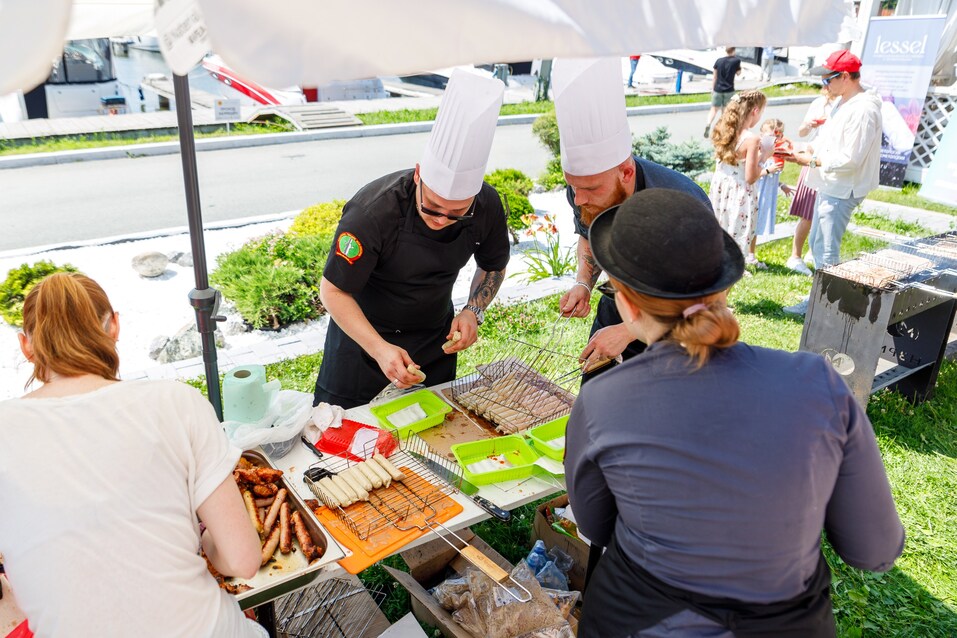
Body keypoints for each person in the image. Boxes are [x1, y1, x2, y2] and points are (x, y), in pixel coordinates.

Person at [565, 188, 905, 637]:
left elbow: (596, 526)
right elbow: (874, 549)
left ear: (625, 304)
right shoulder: (818, 384)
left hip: (638, 621)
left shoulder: (602, 399)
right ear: (724, 289)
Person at [0, 273, 266, 638]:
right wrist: (205, 545)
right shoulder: (176, 401)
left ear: (26, 346)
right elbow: (243, 560)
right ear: (114, 326)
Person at [313, 69, 509, 409]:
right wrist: (379, 349)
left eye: (456, 214)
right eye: (431, 207)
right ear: (418, 175)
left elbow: (493, 266)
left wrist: (473, 311)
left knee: (432, 437)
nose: (440, 220)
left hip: (435, 341)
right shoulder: (372, 213)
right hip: (362, 346)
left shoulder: (487, 205)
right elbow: (332, 291)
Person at [551, 57, 712, 383]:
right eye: (573, 186)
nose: (578, 198)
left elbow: (702, 301)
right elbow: (588, 232)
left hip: (673, 333)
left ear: (626, 172)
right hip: (615, 312)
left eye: (591, 188)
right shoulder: (583, 190)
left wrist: (629, 331)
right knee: (594, 410)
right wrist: (584, 282)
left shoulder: (683, 207)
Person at [785, 50, 882, 315]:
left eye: (829, 79)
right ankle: (820, 301)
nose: (824, 85)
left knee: (826, 248)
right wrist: (801, 147)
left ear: (847, 77)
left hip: (842, 186)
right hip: (830, 183)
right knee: (817, 241)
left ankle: (827, 308)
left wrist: (811, 161)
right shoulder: (844, 101)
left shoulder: (863, 109)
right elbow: (828, 141)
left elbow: (851, 158)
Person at [709, 89, 769, 269]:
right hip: (738, 191)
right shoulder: (751, 139)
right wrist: (765, 156)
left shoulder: (724, 129)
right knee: (736, 231)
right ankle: (732, 269)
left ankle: (717, 263)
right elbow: (750, 177)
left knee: (721, 226)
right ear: (755, 111)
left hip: (721, 187)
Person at [785, 87, 841, 276]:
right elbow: (801, 132)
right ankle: (795, 256)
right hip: (813, 160)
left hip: (828, 164)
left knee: (822, 213)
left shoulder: (845, 104)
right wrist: (809, 124)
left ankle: (812, 252)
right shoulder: (818, 103)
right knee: (808, 213)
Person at [751, 118, 795, 266]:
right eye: (771, 135)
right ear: (761, 135)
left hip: (766, 194)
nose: (775, 139)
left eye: (779, 135)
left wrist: (781, 185)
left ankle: (750, 255)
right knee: (751, 225)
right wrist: (768, 170)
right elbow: (752, 175)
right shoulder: (758, 152)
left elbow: (772, 178)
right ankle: (746, 255)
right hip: (757, 193)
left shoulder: (776, 155)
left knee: (756, 227)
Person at [704, 47, 742, 138]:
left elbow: (714, 77)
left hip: (717, 89)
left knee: (713, 109)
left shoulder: (718, 61)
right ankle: (722, 130)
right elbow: (739, 73)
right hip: (729, 89)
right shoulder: (736, 60)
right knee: (725, 111)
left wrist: (713, 90)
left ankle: (708, 123)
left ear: (726, 50)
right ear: (734, 51)